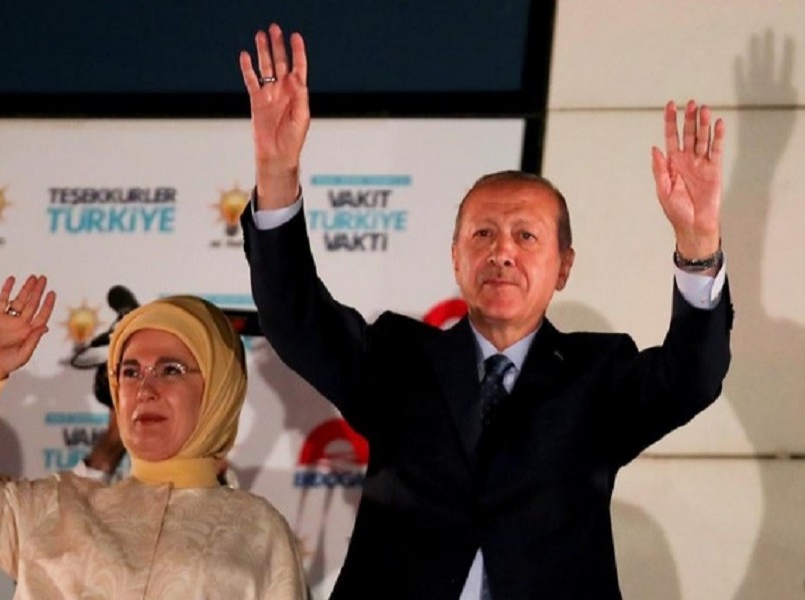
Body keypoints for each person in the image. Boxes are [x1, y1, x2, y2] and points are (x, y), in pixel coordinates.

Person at [238, 24, 732, 599]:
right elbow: (294, 315)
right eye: (483, 234)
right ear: (455, 257)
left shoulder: (599, 376)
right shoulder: (397, 358)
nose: (502, 251)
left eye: (526, 236)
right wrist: (277, 174)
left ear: (563, 266)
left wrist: (699, 244)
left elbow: (694, 376)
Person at [0, 274, 307, 599]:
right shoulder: (57, 509)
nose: (145, 388)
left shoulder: (260, 531)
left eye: (171, 370)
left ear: (217, 389)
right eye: (129, 372)